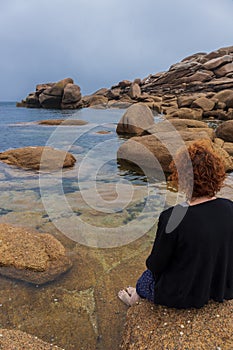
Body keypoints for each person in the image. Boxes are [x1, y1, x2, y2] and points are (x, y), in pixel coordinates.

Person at [118, 139, 233, 309]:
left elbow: (155, 264)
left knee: (145, 279)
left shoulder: (174, 216)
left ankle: (134, 299)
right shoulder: (229, 206)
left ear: (182, 178)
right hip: (220, 286)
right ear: (217, 175)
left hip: (183, 295)